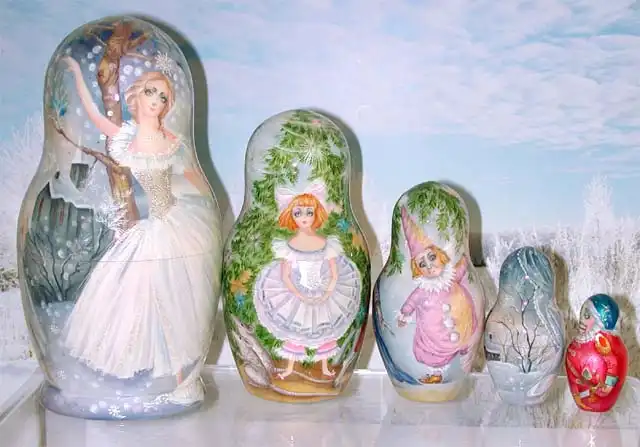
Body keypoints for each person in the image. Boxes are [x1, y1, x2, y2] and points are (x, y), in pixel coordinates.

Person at [59, 56, 219, 403]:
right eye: (151, 92)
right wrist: (76, 72)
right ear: (137, 94)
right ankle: (157, 374)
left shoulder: (172, 139)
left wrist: (205, 204)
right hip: (155, 228)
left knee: (179, 298)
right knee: (143, 295)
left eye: (163, 96)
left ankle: (183, 379)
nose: (157, 101)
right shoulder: (127, 137)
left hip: (178, 221)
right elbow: (95, 115)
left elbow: (193, 177)